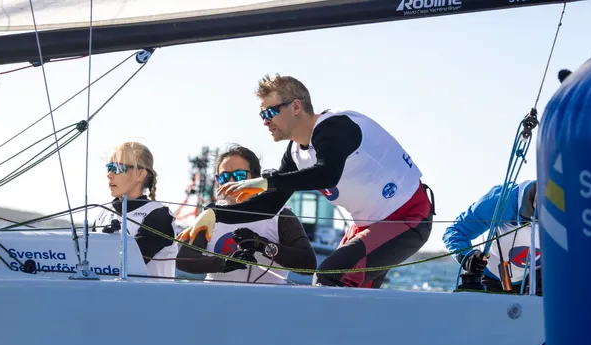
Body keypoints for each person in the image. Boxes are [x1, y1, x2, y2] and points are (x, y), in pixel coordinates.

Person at [177, 74, 435, 289]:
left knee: (330, 276)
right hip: (366, 225)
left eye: (270, 111)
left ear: (296, 106)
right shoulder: (294, 153)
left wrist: (266, 182)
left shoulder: (335, 128)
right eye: (261, 115)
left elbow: (327, 173)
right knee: (340, 284)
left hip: (408, 216)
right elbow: (269, 205)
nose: (265, 120)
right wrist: (213, 213)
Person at [175, 144, 317, 284]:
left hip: (267, 297)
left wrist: (261, 244)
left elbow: (308, 264)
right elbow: (183, 260)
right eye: (224, 177)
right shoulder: (210, 215)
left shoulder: (280, 214)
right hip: (216, 297)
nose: (230, 182)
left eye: (239, 175)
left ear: (256, 179)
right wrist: (224, 263)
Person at [92, 141, 178, 279]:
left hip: (149, 293)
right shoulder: (103, 214)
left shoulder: (159, 215)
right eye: (109, 167)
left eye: (117, 168)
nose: (109, 174)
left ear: (140, 174)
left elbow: (131, 262)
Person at [442, 179, 541, 295]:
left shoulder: (560, 213)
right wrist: (467, 257)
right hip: (489, 278)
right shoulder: (504, 198)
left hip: (536, 281)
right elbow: (455, 232)